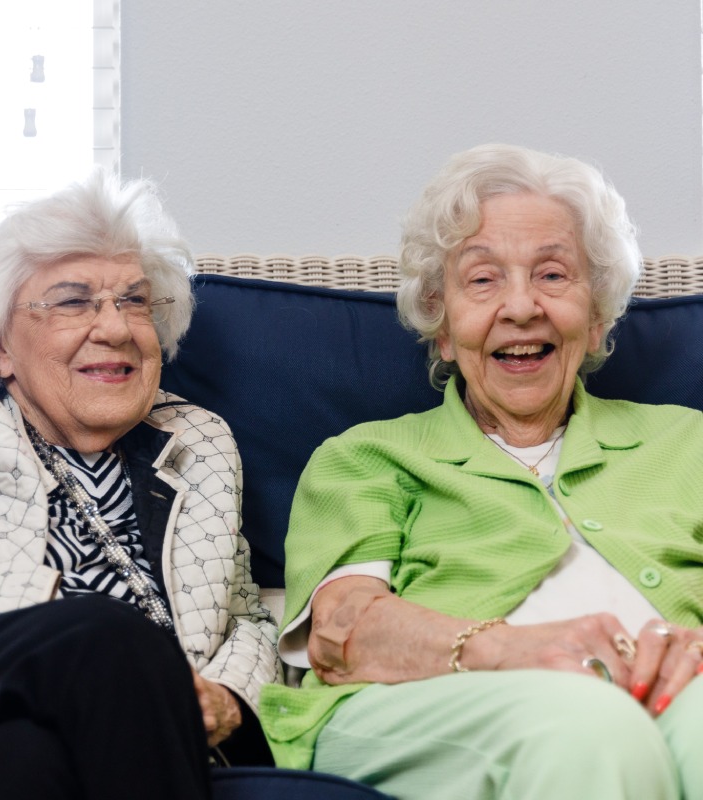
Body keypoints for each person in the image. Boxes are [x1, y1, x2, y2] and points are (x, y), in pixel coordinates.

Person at [260, 143, 703, 799]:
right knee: (587, 725)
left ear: (598, 315)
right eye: (483, 280)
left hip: (670, 692)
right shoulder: (368, 457)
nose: (521, 308)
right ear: (442, 325)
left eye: (553, 276)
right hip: (428, 705)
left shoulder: (687, 441)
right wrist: (509, 650)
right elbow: (342, 635)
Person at [0, 170, 281, 800]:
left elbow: (246, 618)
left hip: (97, 737)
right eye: (74, 301)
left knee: (20, 760)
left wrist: (229, 698)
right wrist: (73, 641)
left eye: (134, 301)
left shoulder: (199, 441)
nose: (115, 328)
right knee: (103, 634)